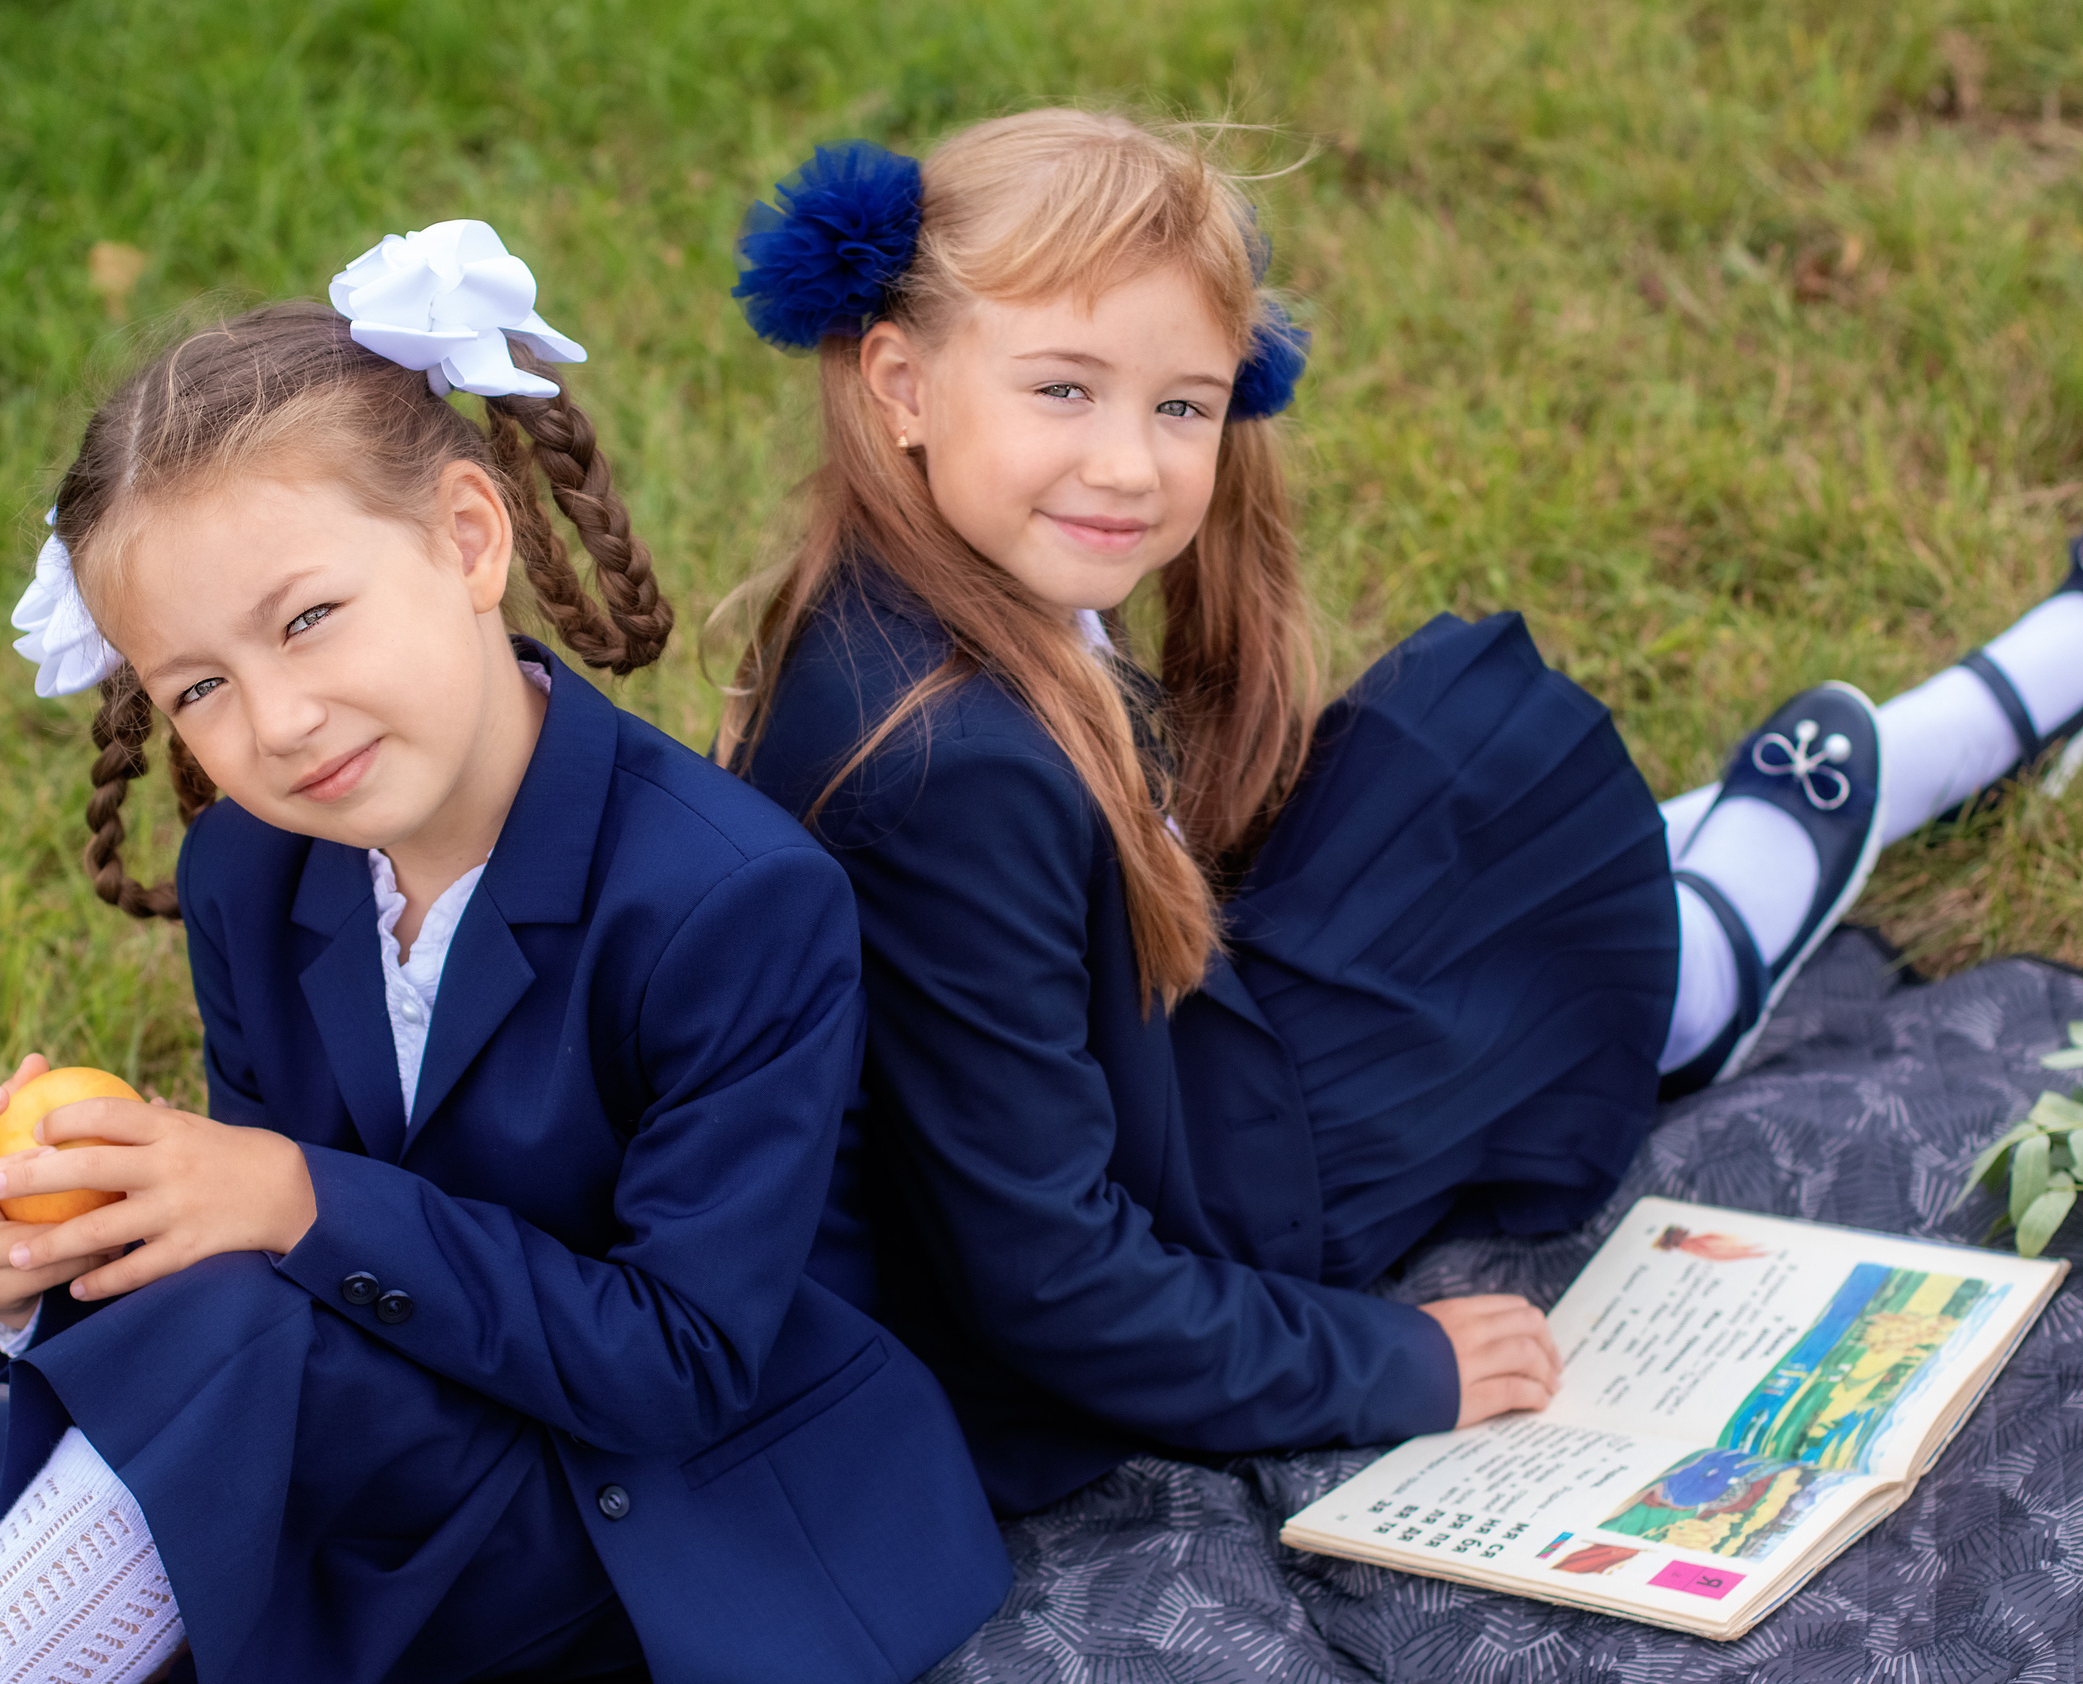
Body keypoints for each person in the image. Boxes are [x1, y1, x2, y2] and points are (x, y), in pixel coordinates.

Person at [0, 221, 1007, 1684]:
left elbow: (674, 1363)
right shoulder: (252, 867)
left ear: (470, 540)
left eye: (309, 618)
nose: (275, 722)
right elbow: (263, 1276)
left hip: (666, 1495)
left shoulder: (732, 900)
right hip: (394, 1408)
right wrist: (33, 1270)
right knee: (189, 1372)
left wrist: (288, 1197)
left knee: (222, 1370)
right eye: (202, 684)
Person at [718, 112, 2083, 1519]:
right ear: (902, 381)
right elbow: (1053, 1279)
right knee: (1518, 831)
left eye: (1181, 406)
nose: (1131, 464)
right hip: (1218, 1203)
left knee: (1468, 774)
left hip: (1160, 1067)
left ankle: (1772, 812)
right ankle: (1708, 966)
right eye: (1064, 389)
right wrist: (1395, 1362)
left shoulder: (915, 607)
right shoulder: (954, 770)